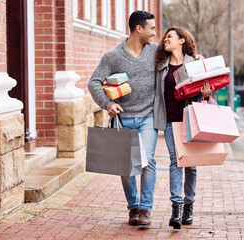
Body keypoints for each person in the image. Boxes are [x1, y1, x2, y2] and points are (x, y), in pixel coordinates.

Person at [88, 10, 158, 226]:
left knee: (148, 161)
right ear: (139, 29)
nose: (155, 33)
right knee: (126, 165)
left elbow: (179, 58)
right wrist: (107, 104)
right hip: (123, 119)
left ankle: (145, 209)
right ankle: (133, 207)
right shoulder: (113, 56)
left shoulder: (156, 52)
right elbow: (94, 82)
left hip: (148, 117)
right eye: (152, 28)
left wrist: (197, 58)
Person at [153, 27, 213, 229]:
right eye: (164, 38)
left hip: (190, 120)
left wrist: (205, 94)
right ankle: (176, 208)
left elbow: (204, 89)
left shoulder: (194, 63)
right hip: (170, 120)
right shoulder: (161, 66)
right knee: (175, 161)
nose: (165, 40)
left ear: (181, 40)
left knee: (191, 164)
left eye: (169, 37)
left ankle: (189, 205)